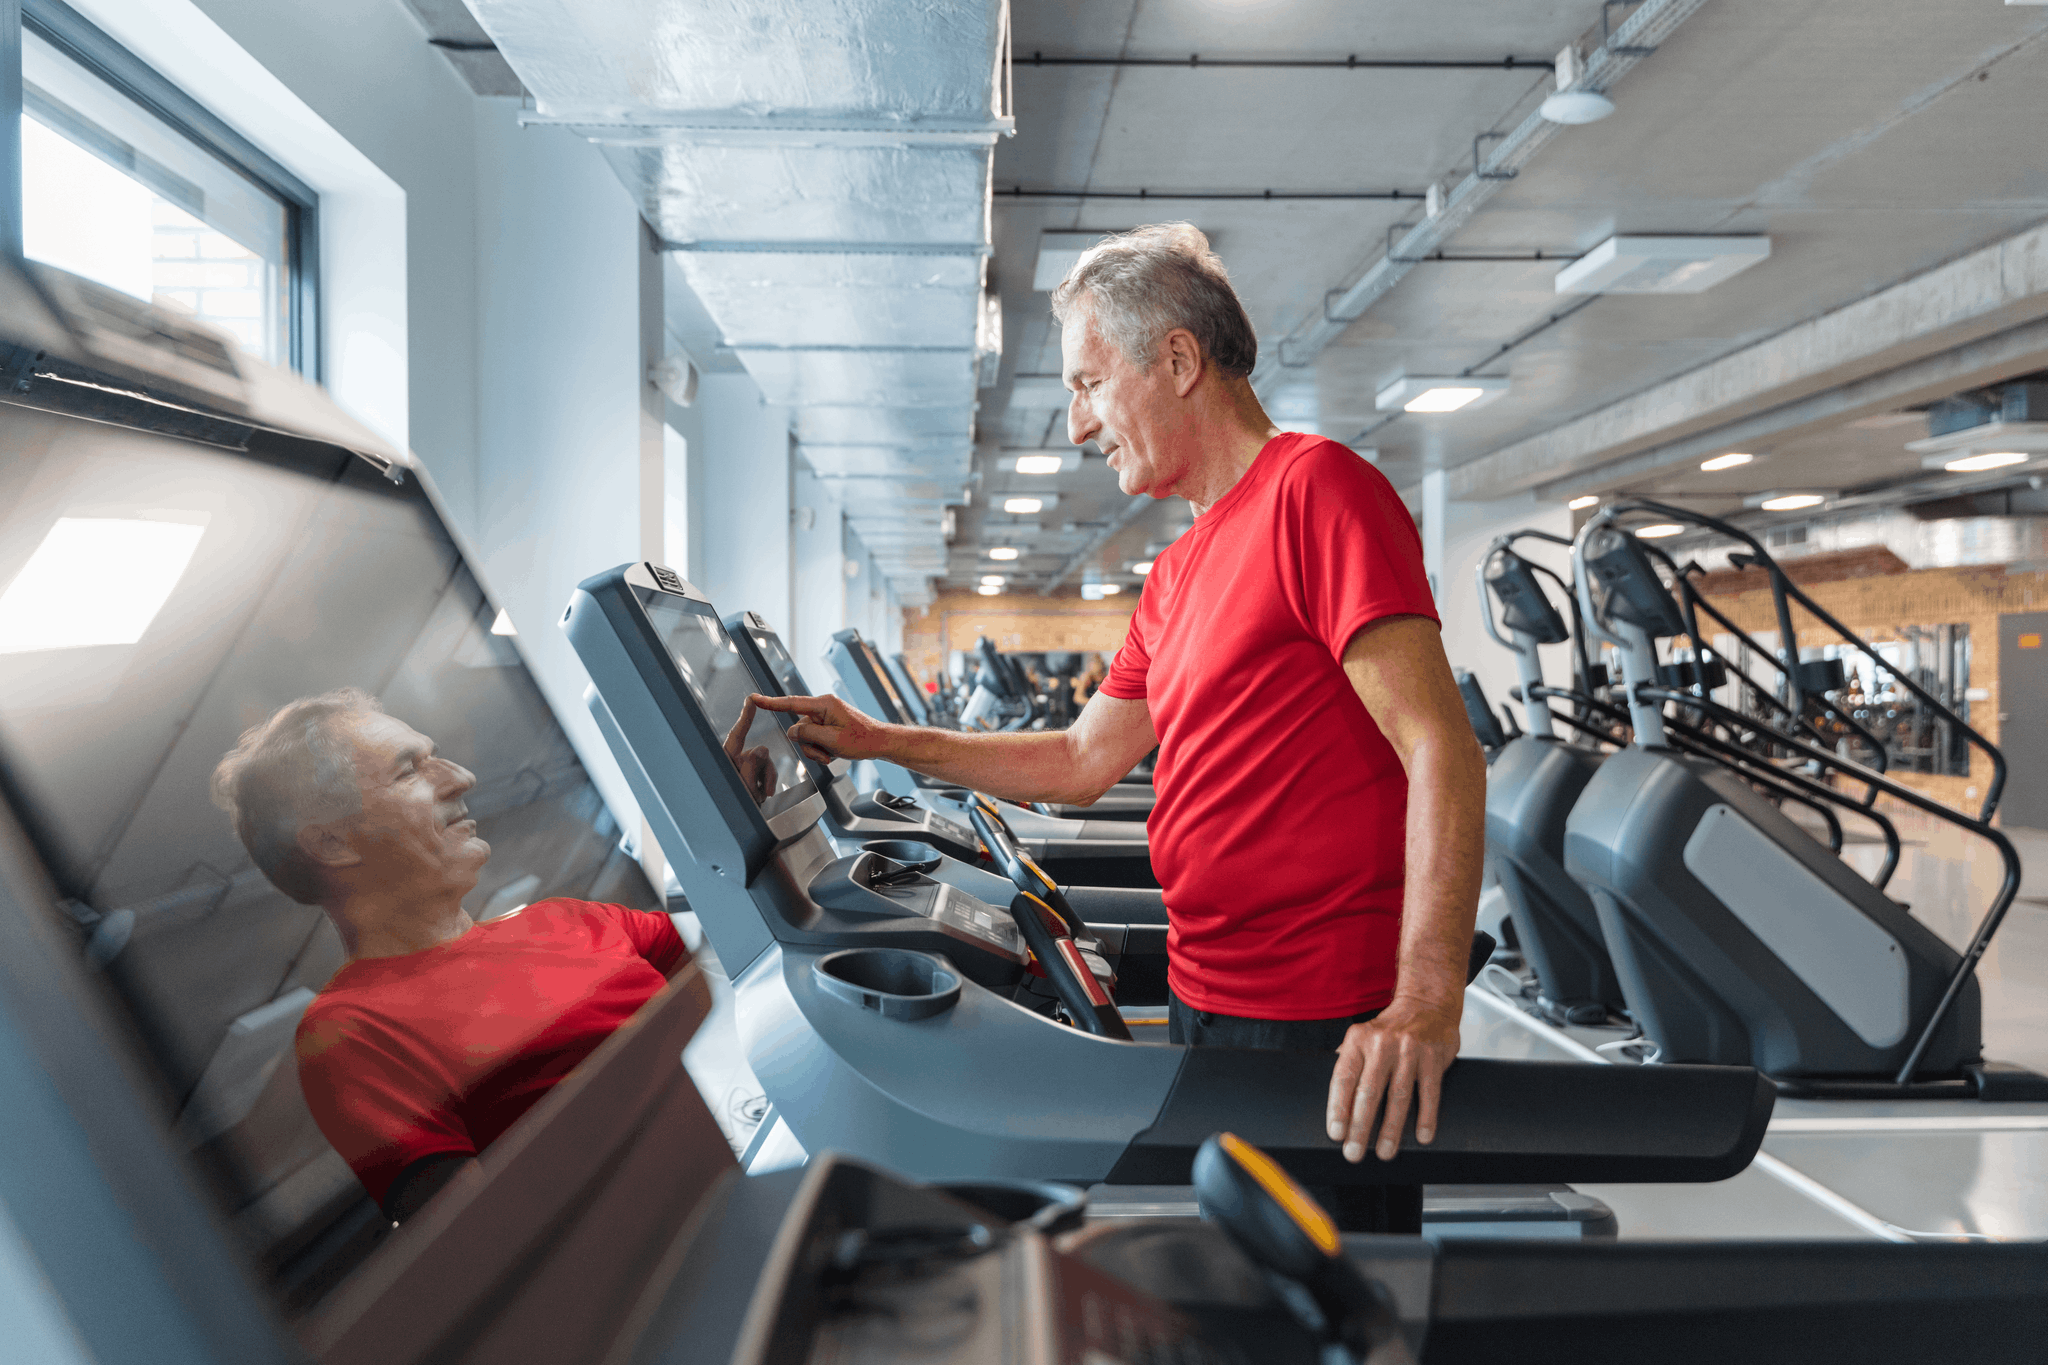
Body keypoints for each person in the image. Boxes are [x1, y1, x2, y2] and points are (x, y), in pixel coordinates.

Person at [755, 224, 1485, 1228]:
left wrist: (1424, 1001)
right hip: (1207, 991)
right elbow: (1080, 759)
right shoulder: (1178, 571)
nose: (1074, 424)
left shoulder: (1315, 492)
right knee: (1242, 1287)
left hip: (1319, 1016)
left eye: (1088, 384)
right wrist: (880, 739)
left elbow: (1438, 746)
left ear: (1176, 360)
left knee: (1327, 1301)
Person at [209, 688, 687, 1222]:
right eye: (408, 770)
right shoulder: (352, 1032)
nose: (460, 777)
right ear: (333, 845)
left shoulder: (567, 918)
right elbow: (479, 1240)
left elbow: (744, 954)